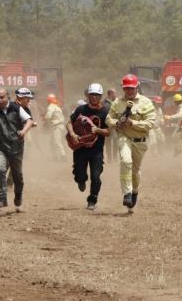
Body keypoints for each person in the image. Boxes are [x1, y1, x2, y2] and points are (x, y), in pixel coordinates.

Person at [106, 74, 156, 212]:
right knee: (126, 161)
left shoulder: (146, 102)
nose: (129, 91)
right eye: (126, 88)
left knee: (135, 171)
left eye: (132, 88)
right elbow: (109, 118)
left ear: (137, 87)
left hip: (140, 141)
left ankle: (134, 192)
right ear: (123, 88)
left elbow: (150, 123)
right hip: (124, 137)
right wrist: (117, 123)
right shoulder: (117, 102)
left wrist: (132, 122)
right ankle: (127, 193)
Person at [67, 83, 110, 210]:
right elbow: (69, 122)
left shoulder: (106, 111)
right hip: (80, 148)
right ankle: (80, 179)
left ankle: (92, 199)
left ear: (101, 96)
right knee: (80, 175)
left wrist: (98, 130)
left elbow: (109, 131)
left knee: (96, 176)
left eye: (97, 95)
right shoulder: (81, 109)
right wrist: (72, 133)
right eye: (92, 95)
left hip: (97, 150)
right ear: (88, 95)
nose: (94, 97)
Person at [163, 93, 182, 158]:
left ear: (177, 101)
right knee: (177, 137)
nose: (175, 103)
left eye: (175, 102)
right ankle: (179, 150)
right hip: (181, 124)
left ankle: (179, 150)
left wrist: (169, 117)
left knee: (176, 137)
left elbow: (180, 115)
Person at [45, 93, 67, 162]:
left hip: (57, 127)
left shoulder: (51, 107)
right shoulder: (57, 107)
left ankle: (63, 156)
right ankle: (55, 157)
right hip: (60, 127)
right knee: (52, 143)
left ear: (48, 100)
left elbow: (48, 116)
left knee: (57, 142)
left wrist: (44, 118)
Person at [103, 89, 118, 163]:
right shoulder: (105, 104)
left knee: (115, 141)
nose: (116, 95)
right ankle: (109, 158)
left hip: (115, 126)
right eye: (114, 93)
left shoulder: (115, 102)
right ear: (111, 94)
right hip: (108, 126)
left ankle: (114, 157)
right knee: (108, 142)